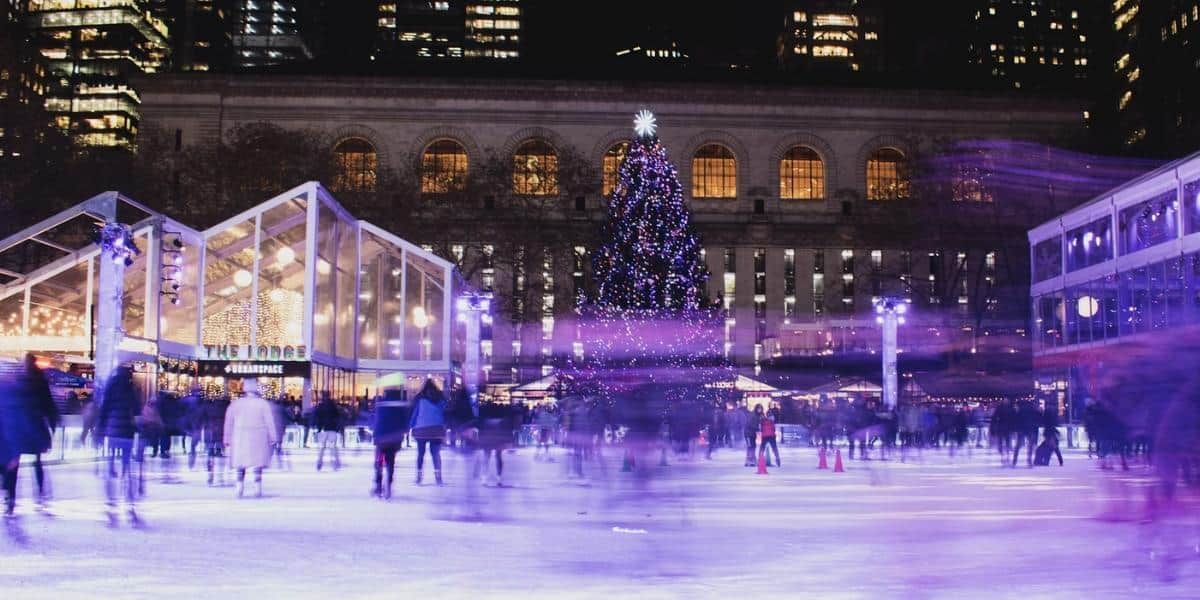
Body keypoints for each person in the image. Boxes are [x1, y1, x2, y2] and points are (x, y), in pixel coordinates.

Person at [1, 355, 59, 517]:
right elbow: (48, 404)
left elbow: (11, 404)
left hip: (19, 427)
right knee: (37, 462)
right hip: (35, 427)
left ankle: (11, 498)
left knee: (14, 462)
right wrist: (53, 424)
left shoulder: (19, 380)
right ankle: (40, 494)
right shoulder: (40, 381)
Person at [97, 365, 140, 526]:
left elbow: (104, 410)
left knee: (110, 469)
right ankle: (129, 503)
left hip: (112, 433)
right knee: (127, 468)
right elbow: (136, 411)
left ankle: (111, 503)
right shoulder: (131, 390)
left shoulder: (110, 388)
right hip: (127, 434)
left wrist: (100, 432)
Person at [224, 379, 277, 498]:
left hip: (240, 436)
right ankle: (257, 488)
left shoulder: (236, 404)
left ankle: (239, 487)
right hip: (259, 436)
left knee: (240, 464)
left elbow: (229, 422)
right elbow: (269, 421)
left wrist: (227, 437)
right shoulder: (263, 404)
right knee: (257, 463)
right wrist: (273, 437)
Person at [372, 390, 411, 499]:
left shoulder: (381, 406)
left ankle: (378, 485)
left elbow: (376, 421)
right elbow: (405, 424)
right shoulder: (401, 407)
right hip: (394, 439)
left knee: (379, 462)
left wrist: (375, 435)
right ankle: (388, 483)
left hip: (381, 438)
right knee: (391, 462)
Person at [408, 379, 447, 485]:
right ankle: (438, 478)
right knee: (435, 454)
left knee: (421, 454)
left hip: (421, 429)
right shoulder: (441, 399)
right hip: (437, 429)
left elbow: (415, 415)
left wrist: (410, 426)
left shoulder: (420, 399)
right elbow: (445, 413)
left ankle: (419, 477)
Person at [313, 391, 342, 471]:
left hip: (323, 429)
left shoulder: (320, 406)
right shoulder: (333, 406)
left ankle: (319, 463)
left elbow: (317, 417)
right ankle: (335, 464)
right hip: (332, 428)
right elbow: (338, 416)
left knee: (322, 448)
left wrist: (318, 428)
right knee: (333, 447)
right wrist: (337, 428)